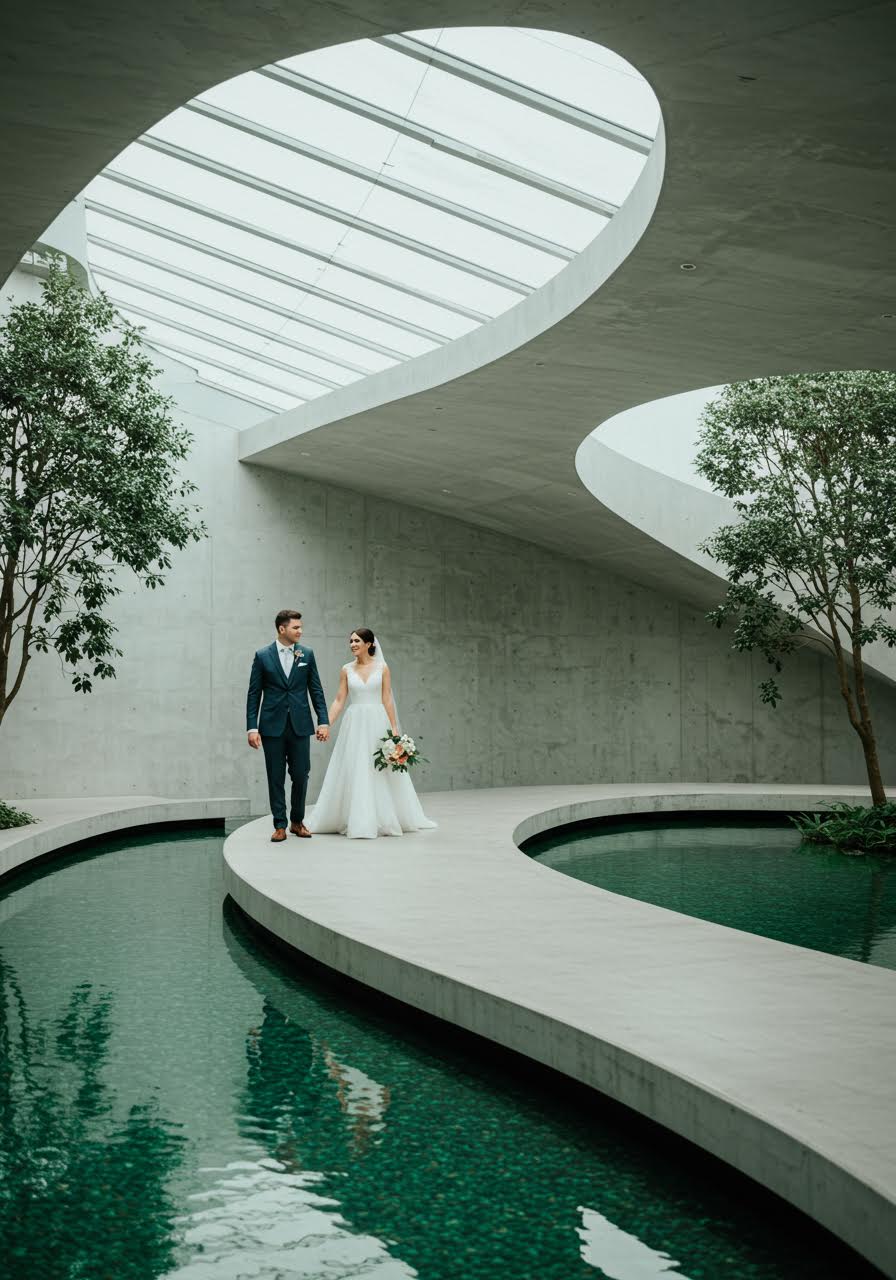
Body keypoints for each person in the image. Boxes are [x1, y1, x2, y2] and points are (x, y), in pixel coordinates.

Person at [309, 629, 436, 840]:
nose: (352, 644)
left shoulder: (382, 668)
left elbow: (387, 699)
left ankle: (384, 817)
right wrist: (325, 724)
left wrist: (394, 730)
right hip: (355, 722)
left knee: (380, 769)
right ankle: (356, 817)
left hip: (378, 722)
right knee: (354, 765)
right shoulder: (346, 669)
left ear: (369, 644)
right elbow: (339, 700)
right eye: (350, 641)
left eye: (357, 640)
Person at [246, 609, 329, 842]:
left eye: (300, 627)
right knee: (275, 776)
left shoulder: (307, 654)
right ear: (282, 629)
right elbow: (254, 694)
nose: (300, 631)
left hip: (300, 725)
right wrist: (252, 728)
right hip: (271, 727)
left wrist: (323, 721)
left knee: (301, 774)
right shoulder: (262, 656)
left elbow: (316, 690)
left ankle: (297, 821)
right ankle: (280, 825)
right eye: (296, 628)